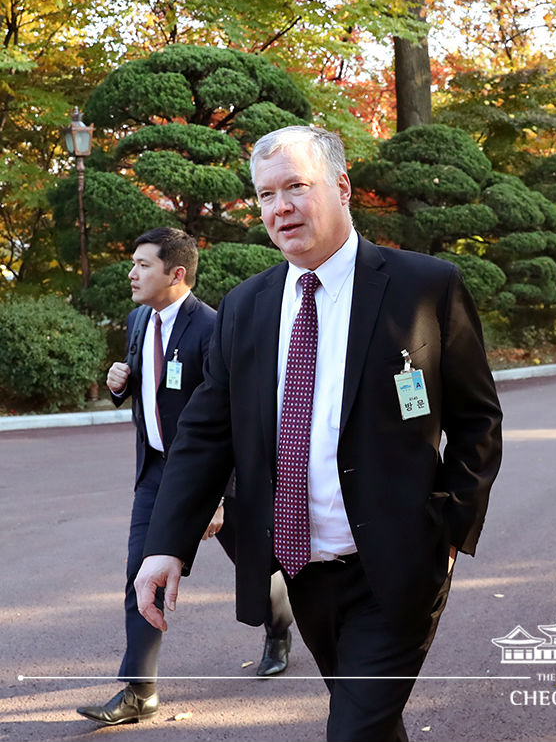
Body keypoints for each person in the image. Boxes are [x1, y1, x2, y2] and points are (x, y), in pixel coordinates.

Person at [133, 125, 504, 742]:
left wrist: (449, 527)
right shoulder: (247, 306)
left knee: (354, 730)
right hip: (303, 570)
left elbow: (476, 418)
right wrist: (166, 543)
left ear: (342, 187)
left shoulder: (422, 286)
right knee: (372, 725)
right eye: (265, 195)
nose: (280, 208)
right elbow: (205, 433)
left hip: (399, 561)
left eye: (297, 187)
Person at [77, 228, 295, 728]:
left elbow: (235, 417)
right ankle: (139, 691)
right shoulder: (137, 320)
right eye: (132, 263)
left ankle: (278, 626)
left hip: (218, 478)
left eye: (142, 265)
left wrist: (219, 496)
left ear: (176, 274)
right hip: (157, 472)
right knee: (142, 574)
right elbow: (150, 383)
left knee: (255, 565)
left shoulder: (214, 328)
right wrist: (120, 383)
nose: (131, 273)